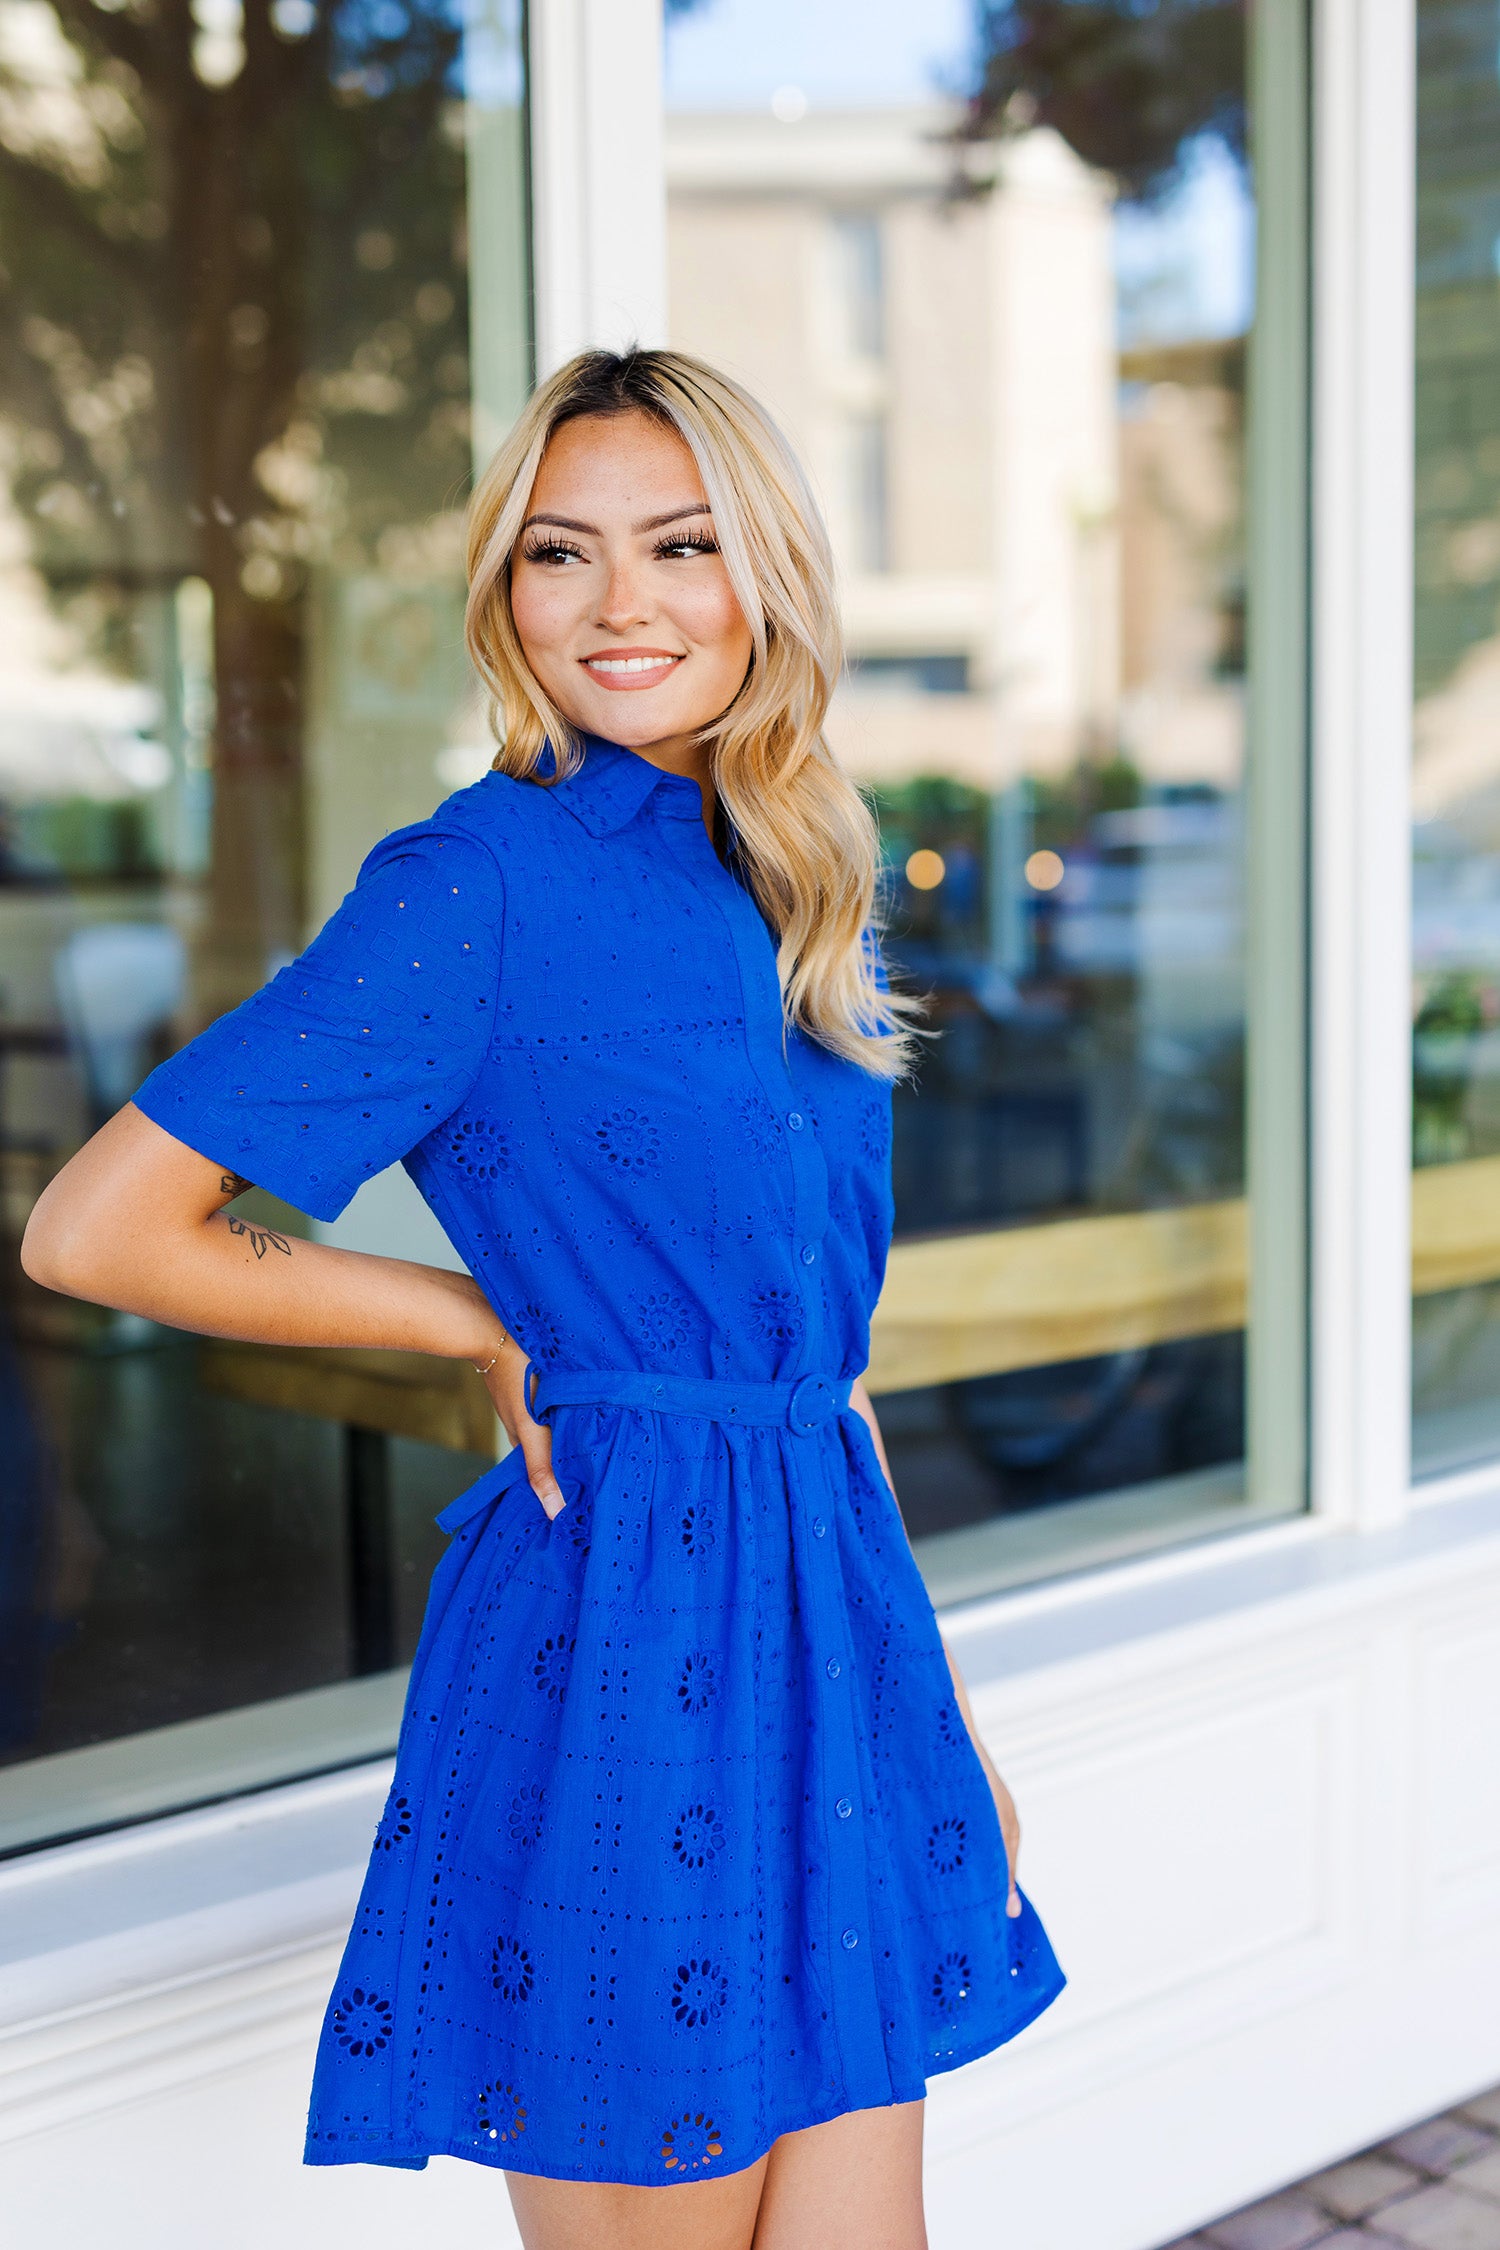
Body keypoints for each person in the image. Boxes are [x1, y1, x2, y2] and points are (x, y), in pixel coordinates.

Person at [21, 348, 1066, 2249]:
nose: (619, 604)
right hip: (618, 1653)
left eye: (679, 544)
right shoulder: (472, 885)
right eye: (558, 554)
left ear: (767, 572)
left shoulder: (791, 871)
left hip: (832, 1642)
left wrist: (945, 1701)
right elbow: (98, 1230)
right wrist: (472, 1329)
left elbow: (815, 1373)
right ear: (505, 591)